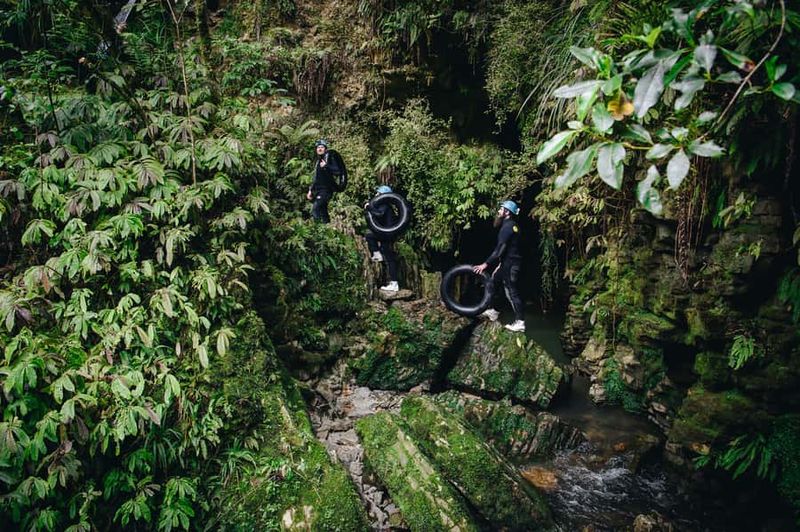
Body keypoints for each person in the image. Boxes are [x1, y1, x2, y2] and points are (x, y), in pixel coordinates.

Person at [473, 200, 525, 332]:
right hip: (507, 262)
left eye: (501, 209)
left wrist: (486, 264)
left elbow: (499, 249)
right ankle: (493, 311)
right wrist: (501, 264)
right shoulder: (512, 225)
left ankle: (520, 322)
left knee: (511, 291)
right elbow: (511, 249)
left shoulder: (507, 228)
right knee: (494, 281)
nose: (499, 211)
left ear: (507, 212)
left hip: (511, 264)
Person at [365, 185, 400, 292]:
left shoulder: (384, 205)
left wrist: (369, 207)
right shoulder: (386, 206)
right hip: (388, 234)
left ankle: (377, 255)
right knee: (389, 257)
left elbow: (379, 214)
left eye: (378, 193)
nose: (376, 195)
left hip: (387, 234)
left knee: (369, 235)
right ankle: (393, 282)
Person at [307, 139, 343, 223]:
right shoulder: (318, 161)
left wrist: (326, 166)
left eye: (322, 147)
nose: (319, 149)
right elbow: (316, 178)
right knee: (323, 212)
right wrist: (310, 190)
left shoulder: (329, 159)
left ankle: (318, 231)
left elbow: (338, 172)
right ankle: (327, 231)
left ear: (325, 149)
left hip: (326, 190)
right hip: (318, 190)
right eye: (318, 147)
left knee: (315, 209)